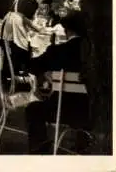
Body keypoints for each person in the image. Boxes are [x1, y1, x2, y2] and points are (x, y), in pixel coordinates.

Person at [25, 10, 92, 154]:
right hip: (91, 111)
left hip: (61, 109)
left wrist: (45, 74)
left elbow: (31, 65)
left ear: (66, 30)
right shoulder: (94, 54)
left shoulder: (57, 51)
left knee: (33, 109)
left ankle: (39, 147)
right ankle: (83, 144)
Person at [0, 0, 48, 74]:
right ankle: (20, 71)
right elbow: (25, 18)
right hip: (16, 21)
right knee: (22, 46)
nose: (42, 0)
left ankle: (9, 71)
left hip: (9, 19)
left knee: (11, 45)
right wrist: (37, 28)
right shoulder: (32, 1)